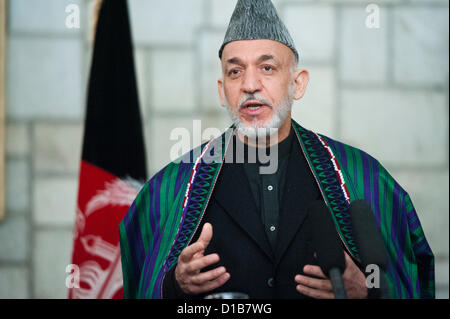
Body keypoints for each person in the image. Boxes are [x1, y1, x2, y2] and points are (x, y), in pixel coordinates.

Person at [119, 0, 434, 299]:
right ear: (222, 90)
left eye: (267, 68)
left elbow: (406, 274)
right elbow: (142, 280)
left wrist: (370, 289)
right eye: (235, 71)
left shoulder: (362, 177)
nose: (250, 84)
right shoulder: (173, 187)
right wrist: (175, 284)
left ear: (297, 84)